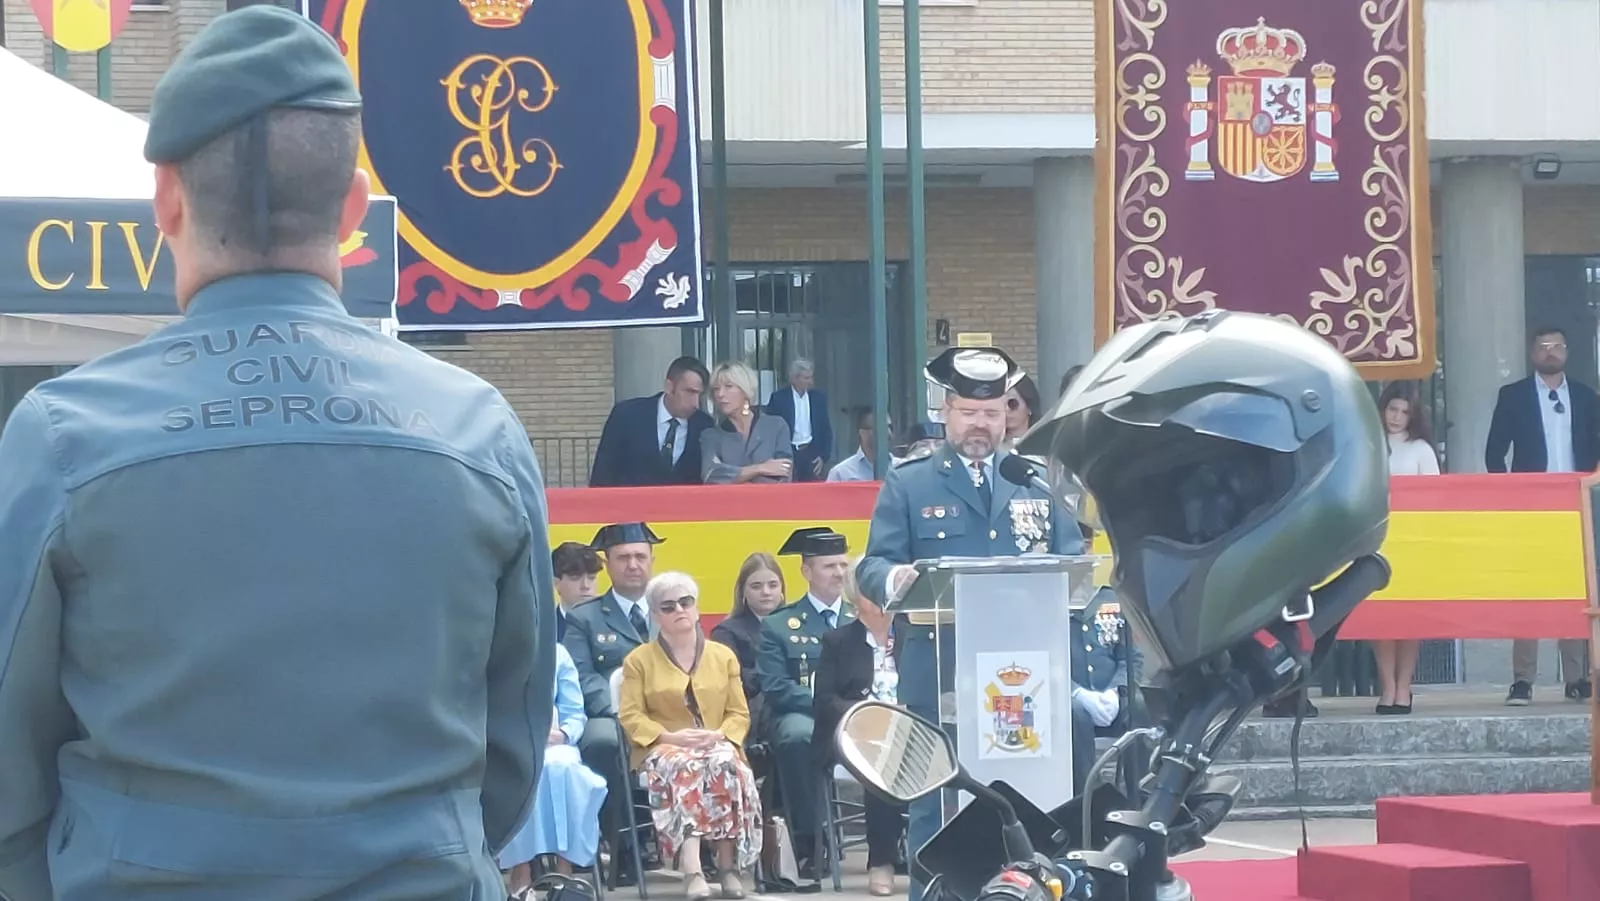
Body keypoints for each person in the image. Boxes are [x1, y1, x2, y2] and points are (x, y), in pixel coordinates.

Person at [0, 8, 556, 901]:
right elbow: (514, 749)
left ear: (168, 199)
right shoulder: (476, 429)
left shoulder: (63, 434)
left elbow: (9, 764)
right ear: (350, 207)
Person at [856, 346, 1083, 901]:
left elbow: (1074, 558)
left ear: (1007, 414)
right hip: (942, 670)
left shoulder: (1034, 480)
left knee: (1034, 799)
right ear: (946, 413)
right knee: (940, 800)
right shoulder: (911, 483)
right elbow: (871, 566)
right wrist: (897, 580)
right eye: (968, 412)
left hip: (1026, 676)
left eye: (992, 413)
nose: (980, 425)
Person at [618, 572, 763, 901]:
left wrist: (721, 735)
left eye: (686, 602)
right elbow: (630, 715)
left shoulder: (722, 656)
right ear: (656, 616)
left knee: (730, 767)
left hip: (716, 742)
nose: (679, 610)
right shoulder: (638, 661)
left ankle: (728, 868)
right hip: (663, 747)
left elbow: (739, 713)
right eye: (668, 606)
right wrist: (670, 737)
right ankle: (693, 870)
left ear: (697, 609)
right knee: (687, 768)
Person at [1486, 326, 1600, 705]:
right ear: (1532, 352)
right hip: (1530, 508)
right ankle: (1523, 680)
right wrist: (1508, 495)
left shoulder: (1586, 397)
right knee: (1529, 592)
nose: (1551, 352)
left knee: (1575, 592)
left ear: (1567, 351)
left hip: (1577, 507)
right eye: (1544, 346)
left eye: (1558, 346)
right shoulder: (1514, 395)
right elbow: (1494, 452)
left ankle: (1576, 677)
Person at [563, 521, 664, 884]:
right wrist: (625, 712)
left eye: (640, 556)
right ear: (609, 563)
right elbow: (582, 677)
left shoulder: (671, 607)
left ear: (652, 560)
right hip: (612, 714)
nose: (633, 564)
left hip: (666, 714)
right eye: (623, 558)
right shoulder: (584, 617)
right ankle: (622, 844)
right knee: (602, 740)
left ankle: (705, 851)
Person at [756, 527, 853, 880]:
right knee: (798, 736)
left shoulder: (861, 618)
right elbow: (775, 686)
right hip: (803, 714)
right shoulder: (779, 625)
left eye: (843, 565)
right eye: (829, 566)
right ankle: (810, 842)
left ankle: (891, 843)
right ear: (806, 571)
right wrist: (827, 705)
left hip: (860, 715)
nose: (839, 573)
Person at [812, 557, 907, 897]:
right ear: (857, 598)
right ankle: (882, 859)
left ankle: (935, 852)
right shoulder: (838, 641)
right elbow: (825, 702)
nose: (883, 599)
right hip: (856, 735)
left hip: (912, 729)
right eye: (874, 592)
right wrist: (867, 712)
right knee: (882, 759)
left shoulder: (915, 636)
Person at [499, 644, 608, 892]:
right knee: (522, 772)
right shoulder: (497, 647)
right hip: (512, 741)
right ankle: (521, 869)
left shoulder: (557, 652)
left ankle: (564, 871)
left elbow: (574, 712)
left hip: (555, 740)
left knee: (564, 770)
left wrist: (563, 734)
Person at [1373, 381, 1440, 715]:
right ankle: (1387, 687)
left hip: (1412, 545)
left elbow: (1434, 498)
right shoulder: (1367, 443)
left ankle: (1404, 687)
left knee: (1408, 620)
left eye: (1404, 411)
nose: (1396, 417)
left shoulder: (1421, 450)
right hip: (1376, 543)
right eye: (1392, 409)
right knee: (1381, 619)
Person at [590, 356, 716, 487]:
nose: (696, 403)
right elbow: (603, 473)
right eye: (690, 392)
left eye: (700, 395)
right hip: (631, 505)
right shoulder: (627, 415)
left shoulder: (704, 425)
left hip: (681, 506)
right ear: (669, 387)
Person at [710, 552, 789, 730]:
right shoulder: (726, 633)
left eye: (773, 585)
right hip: (750, 715)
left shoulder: (797, 626)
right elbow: (735, 684)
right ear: (742, 592)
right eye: (756, 586)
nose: (766, 592)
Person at [703, 361, 794, 484]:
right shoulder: (711, 435)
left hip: (771, 502)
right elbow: (711, 475)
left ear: (745, 390)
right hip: (731, 503)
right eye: (716, 389)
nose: (720, 394)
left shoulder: (776, 426)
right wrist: (760, 469)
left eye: (729, 386)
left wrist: (734, 479)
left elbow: (784, 473)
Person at [765, 358, 834, 482]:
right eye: (806, 378)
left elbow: (825, 429)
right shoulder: (779, 398)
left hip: (810, 452)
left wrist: (823, 457)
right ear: (794, 379)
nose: (811, 382)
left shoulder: (818, 398)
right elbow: (770, 430)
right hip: (787, 452)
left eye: (811, 377)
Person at [552, 541, 605, 642]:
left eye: (592, 578)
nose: (585, 586)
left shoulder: (613, 625)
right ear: (556, 583)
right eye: (575, 578)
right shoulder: (543, 630)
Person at [1001, 373, 1042, 450]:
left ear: (1029, 406)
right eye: (1000, 404)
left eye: (1012, 403)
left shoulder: (1045, 446)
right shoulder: (991, 449)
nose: (1006, 409)